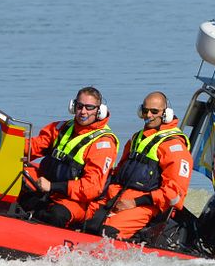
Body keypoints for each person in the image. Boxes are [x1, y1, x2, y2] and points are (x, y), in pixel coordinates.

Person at [88, 91, 192, 240]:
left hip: (148, 205)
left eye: (154, 111)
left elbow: (174, 193)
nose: (148, 115)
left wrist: (134, 202)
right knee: (86, 221)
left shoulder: (174, 146)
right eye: (145, 110)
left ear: (166, 114)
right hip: (119, 196)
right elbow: (119, 171)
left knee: (107, 232)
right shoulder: (137, 138)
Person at [21, 86, 119, 228]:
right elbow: (34, 146)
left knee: (56, 215)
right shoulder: (61, 127)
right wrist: (10, 139)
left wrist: (53, 186)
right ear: (73, 106)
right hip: (48, 186)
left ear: (99, 111)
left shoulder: (103, 143)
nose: (83, 112)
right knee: (16, 180)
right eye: (80, 106)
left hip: (77, 200)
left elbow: (91, 188)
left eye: (89, 107)